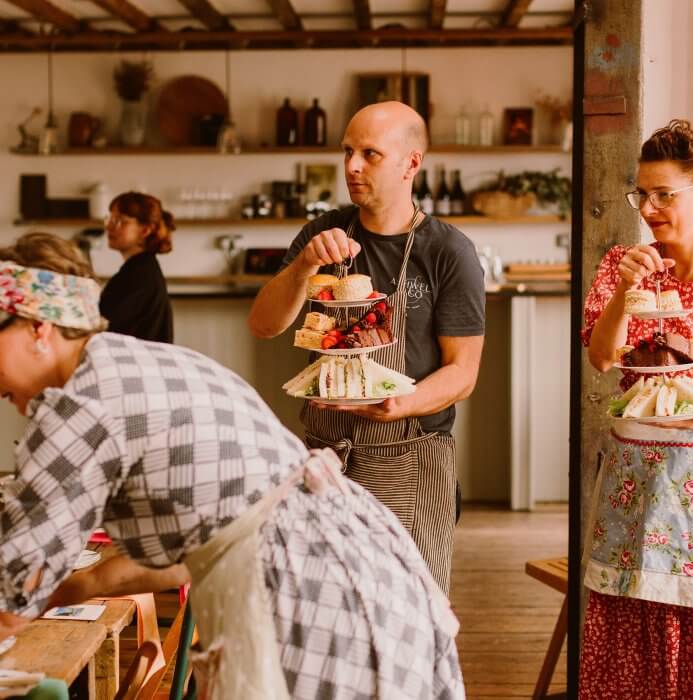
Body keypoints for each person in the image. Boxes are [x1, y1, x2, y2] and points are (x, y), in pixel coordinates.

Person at [0, 232, 465, 699]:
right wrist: (71, 587)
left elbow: (9, 598)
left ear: (37, 328)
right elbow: (191, 550)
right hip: (355, 567)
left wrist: (29, 596)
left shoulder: (76, 405)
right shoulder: (139, 361)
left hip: (300, 590)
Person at [248, 101, 485, 593]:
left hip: (410, 463)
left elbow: (462, 372)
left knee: (410, 612)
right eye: (348, 152)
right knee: (326, 614)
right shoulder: (322, 236)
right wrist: (303, 268)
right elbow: (264, 324)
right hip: (326, 460)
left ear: (411, 164)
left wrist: (401, 403)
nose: (352, 166)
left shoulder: (447, 251)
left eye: (371, 154)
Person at [581, 119, 693, 698]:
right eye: (641, 193)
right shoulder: (621, 264)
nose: (649, 207)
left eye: (665, 194)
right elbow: (603, 359)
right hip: (635, 482)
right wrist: (626, 299)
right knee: (629, 615)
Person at [99, 191, 174, 343]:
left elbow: (104, 325)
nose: (110, 227)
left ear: (145, 230)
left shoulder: (139, 274)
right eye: (110, 219)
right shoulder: (139, 268)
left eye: (120, 221)